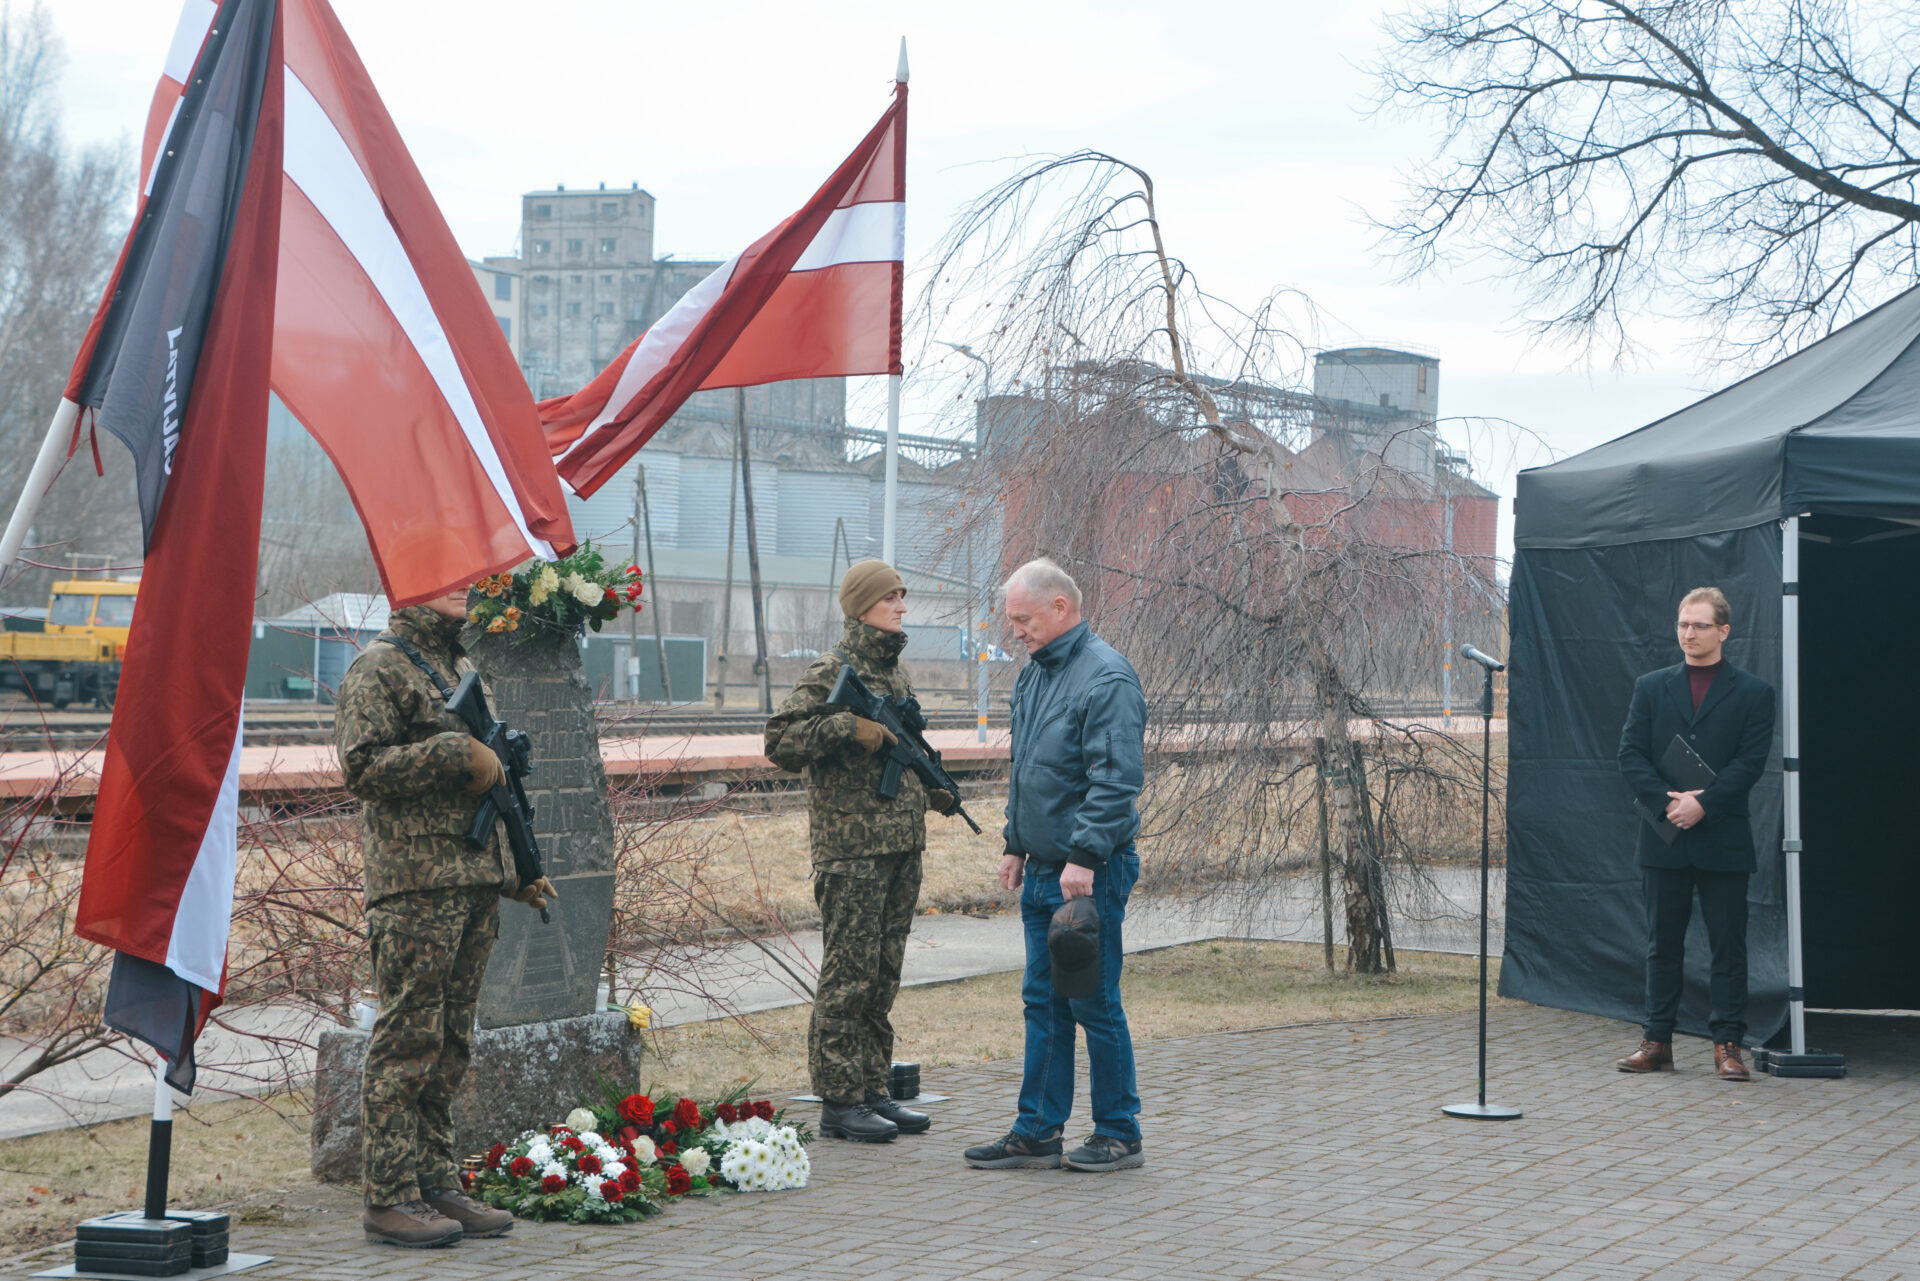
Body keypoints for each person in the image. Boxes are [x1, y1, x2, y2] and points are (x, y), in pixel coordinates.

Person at [334, 582, 556, 1247]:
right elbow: (362, 767)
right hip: (414, 885)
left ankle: (435, 1183)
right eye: (448, 577)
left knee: (451, 1041)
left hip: (470, 882)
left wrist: (514, 874)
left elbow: (489, 791)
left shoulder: (458, 666)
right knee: (408, 1039)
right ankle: (389, 1196)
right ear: (414, 585)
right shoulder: (380, 665)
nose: (465, 587)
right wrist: (454, 754)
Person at [764, 559, 959, 1143]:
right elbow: (779, 740)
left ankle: (874, 1090)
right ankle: (840, 1101)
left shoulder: (894, 673)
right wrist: (846, 727)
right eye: (891, 597)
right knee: (848, 977)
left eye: (902, 596)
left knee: (882, 975)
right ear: (861, 606)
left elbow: (903, 748)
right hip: (852, 853)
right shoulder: (832, 670)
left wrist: (931, 786)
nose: (902, 606)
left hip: (900, 847)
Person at [963, 559, 1147, 1173]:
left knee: (1093, 1002)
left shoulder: (1106, 677)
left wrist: (1084, 856)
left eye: (1023, 619)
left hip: (1088, 874)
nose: (1014, 631)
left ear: (1060, 607)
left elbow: (1115, 781)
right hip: (1044, 870)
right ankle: (1037, 1131)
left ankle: (1119, 1133)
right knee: (1043, 1003)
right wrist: (1015, 843)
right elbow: (1029, 772)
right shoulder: (1036, 675)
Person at [1615, 586, 1776, 1082]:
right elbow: (1630, 754)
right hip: (1665, 835)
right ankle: (1656, 1041)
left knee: (1728, 948)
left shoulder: (1754, 693)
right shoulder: (1651, 687)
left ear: (1723, 631)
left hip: (1723, 837)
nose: (1689, 633)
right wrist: (1670, 804)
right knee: (1662, 945)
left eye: (1700, 625)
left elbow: (1750, 763)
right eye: (1684, 624)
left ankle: (1728, 1046)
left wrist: (1704, 803)